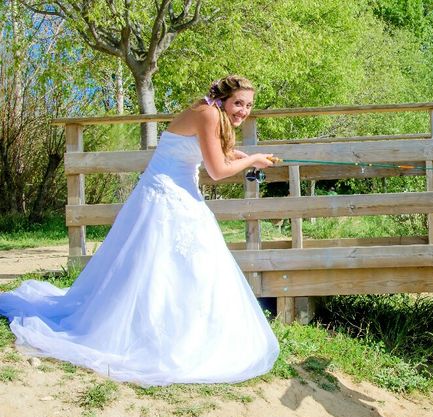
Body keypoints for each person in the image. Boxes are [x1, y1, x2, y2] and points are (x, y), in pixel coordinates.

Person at [0, 75, 280, 386]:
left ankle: (181, 329)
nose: (243, 110)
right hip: (167, 197)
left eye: (249, 105)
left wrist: (241, 156)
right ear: (224, 99)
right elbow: (217, 170)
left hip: (174, 192)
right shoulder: (210, 115)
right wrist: (252, 157)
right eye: (239, 103)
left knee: (180, 264)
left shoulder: (209, 112)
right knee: (164, 263)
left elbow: (209, 153)